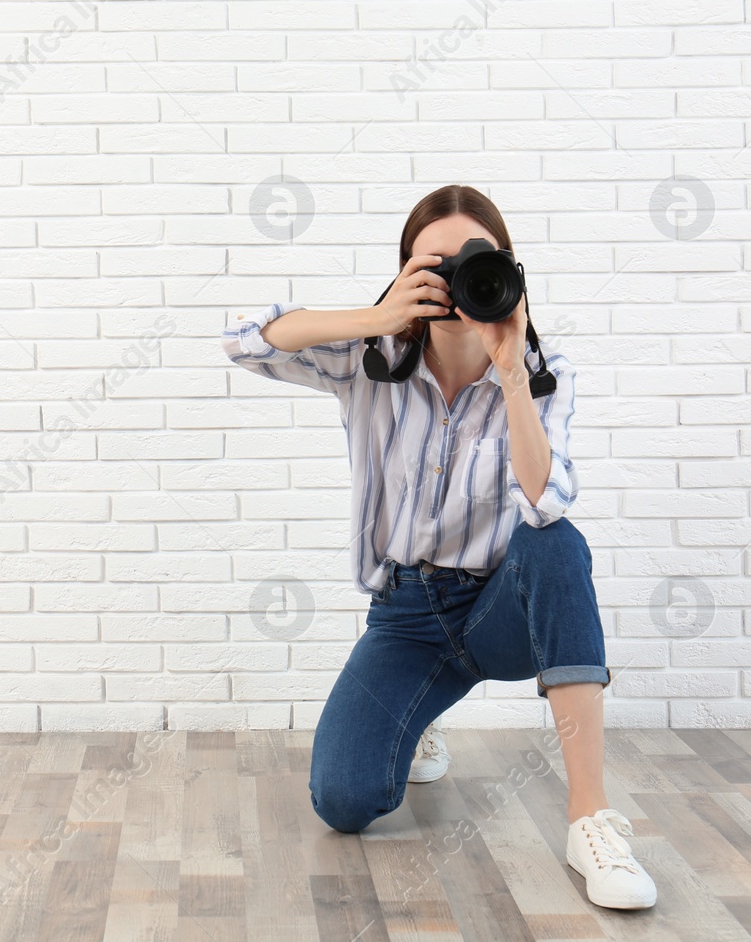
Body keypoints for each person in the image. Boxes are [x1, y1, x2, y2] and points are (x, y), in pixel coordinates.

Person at [219, 185, 656, 911]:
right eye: (436, 265)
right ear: (405, 273)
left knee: (558, 545)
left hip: (499, 609)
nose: (456, 281)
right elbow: (243, 338)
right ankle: (419, 719)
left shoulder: (545, 373)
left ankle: (591, 820)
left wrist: (511, 372)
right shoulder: (371, 359)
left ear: (505, 272)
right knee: (343, 799)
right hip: (407, 615)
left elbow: (546, 502)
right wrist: (378, 313)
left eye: (474, 263)